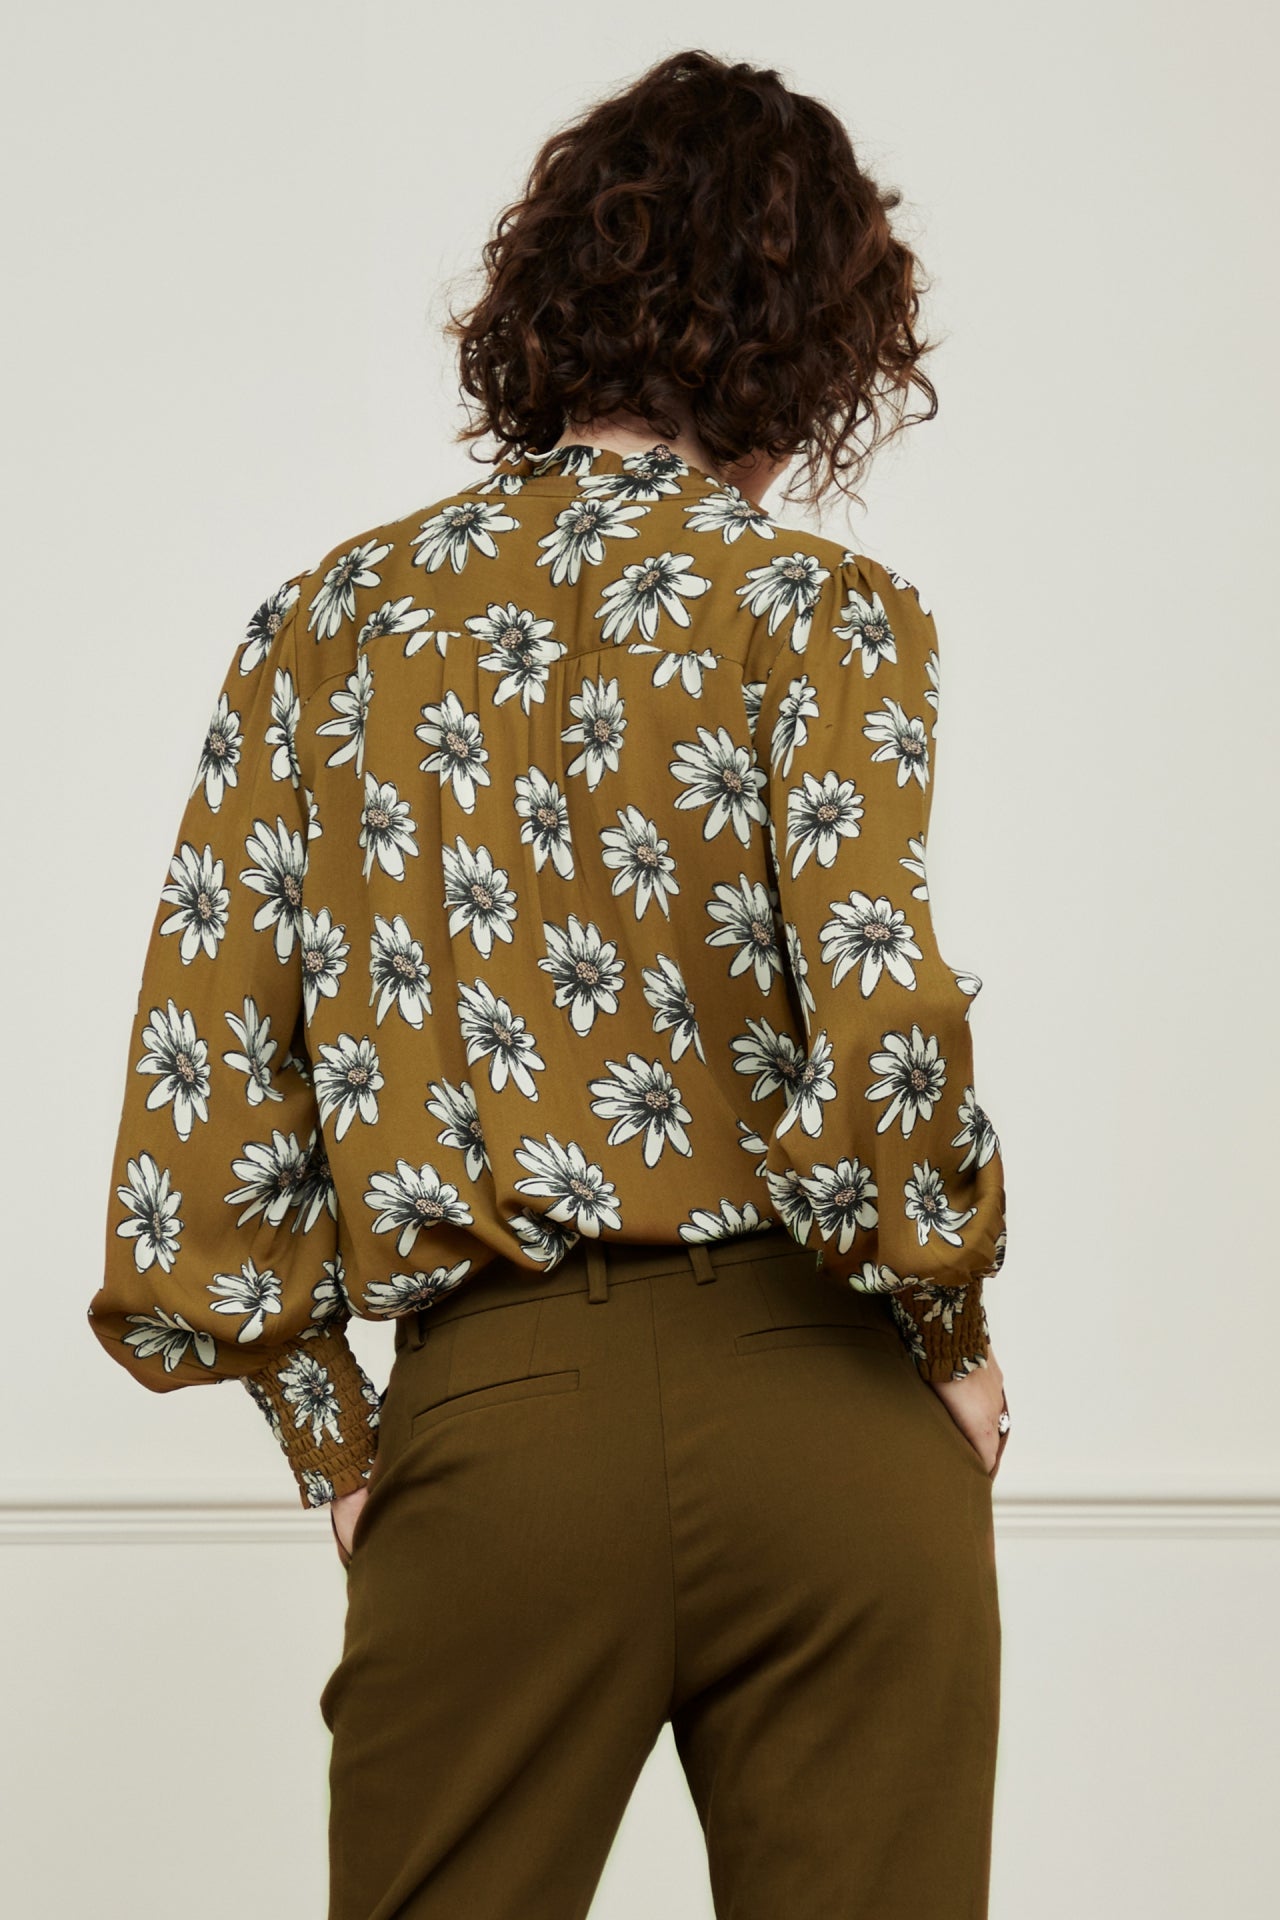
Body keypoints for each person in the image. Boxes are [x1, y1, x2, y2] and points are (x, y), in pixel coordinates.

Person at [88, 46, 1011, 1920]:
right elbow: (880, 1019)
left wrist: (340, 1443)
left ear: (550, 300)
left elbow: (211, 1085)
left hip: (497, 1427)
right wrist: (949, 1331)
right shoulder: (818, 615)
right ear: (812, 347)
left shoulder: (332, 629)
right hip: (831, 1415)